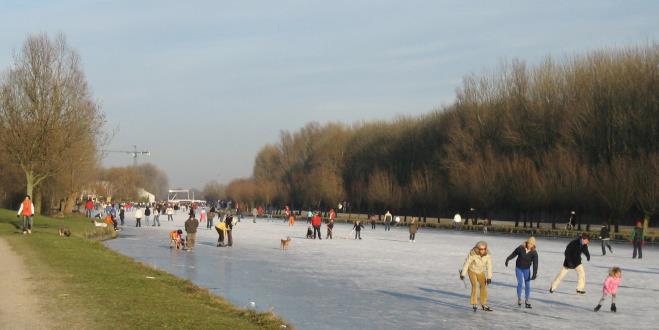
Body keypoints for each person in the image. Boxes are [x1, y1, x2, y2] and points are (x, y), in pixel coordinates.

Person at [505, 237, 538, 308]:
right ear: (527, 242)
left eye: (531, 244)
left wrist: (534, 274)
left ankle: (527, 300)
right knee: (520, 283)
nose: (529, 245)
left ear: (533, 245)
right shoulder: (520, 248)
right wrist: (508, 259)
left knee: (527, 284)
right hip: (518, 268)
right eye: (529, 243)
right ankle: (519, 299)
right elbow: (514, 254)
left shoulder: (534, 253)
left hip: (526, 269)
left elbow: (535, 264)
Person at [460, 241, 493, 312]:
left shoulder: (487, 255)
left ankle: (483, 304)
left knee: (483, 285)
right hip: (472, 270)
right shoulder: (473, 254)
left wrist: (489, 277)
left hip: (480, 271)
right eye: (481, 249)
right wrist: (463, 274)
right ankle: (474, 303)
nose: (483, 250)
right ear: (478, 249)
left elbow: (489, 266)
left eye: (484, 249)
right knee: (475, 286)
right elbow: (467, 263)